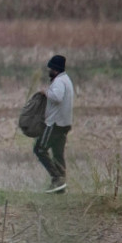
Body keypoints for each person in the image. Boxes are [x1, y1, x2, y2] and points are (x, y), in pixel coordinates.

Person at [35, 55, 74, 193]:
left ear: (56, 70)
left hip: (55, 123)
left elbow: (57, 97)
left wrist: (45, 92)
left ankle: (57, 178)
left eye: (50, 68)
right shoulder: (66, 80)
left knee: (39, 149)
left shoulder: (59, 81)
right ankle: (61, 187)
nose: (49, 71)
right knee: (58, 154)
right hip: (65, 123)